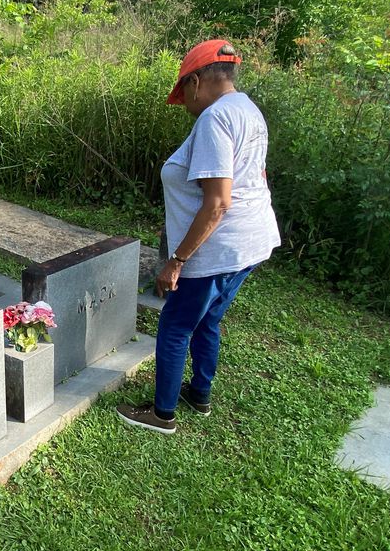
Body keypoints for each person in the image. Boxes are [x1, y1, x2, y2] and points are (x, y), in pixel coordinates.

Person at [116, 39, 279, 434]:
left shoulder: (214, 119)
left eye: (183, 92)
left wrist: (177, 260)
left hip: (218, 249)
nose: (184, 103)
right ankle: (199, 394)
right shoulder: (248, 110)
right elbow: (244, 180)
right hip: (251, 242)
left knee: (175, 325)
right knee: (208, 319)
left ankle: (161, 414)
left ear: (195, 81)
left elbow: (219, 202)